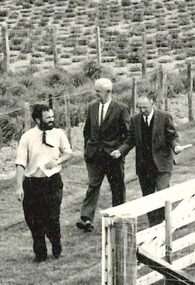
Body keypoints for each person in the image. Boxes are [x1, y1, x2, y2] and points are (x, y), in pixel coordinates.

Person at [112, 93, 182, 228]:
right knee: (148, 197)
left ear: (152, 103)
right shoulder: (135, 120)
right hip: (144, 165)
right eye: (139, 108)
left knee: (162, 192)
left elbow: (172, 136)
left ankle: (164, 223)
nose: (142, 110)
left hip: (162, 164)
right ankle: (154, 224)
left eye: (145, 107)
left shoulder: (164, 116)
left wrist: (176, 146)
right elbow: (130, 140)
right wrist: (120, 151)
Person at [15, 104, 73, 262]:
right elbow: (20, 162)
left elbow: (68, 153)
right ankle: (40, 253)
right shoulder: (27, 137)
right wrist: (19, 186)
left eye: (52, 117)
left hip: (52, 183)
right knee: (34, 220)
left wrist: (57, 161)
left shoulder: (58, 134)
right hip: (33, 184)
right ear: (37, 119)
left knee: (52, 218)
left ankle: (56, 245)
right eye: (48, 118)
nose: (51, 120)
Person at [77, 78, 130, 233]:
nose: (95, 94)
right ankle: (86, 219)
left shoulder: (121, 109)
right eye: (95, 90)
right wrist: (88, 147)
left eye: (98, 91)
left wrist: (120, 151)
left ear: (108, 92)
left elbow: (128, 135)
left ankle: (118, 217)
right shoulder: (92, 107)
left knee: (117, 187)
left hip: (113, 157)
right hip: (94, 156)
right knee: (93, 186)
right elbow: (87, 130)